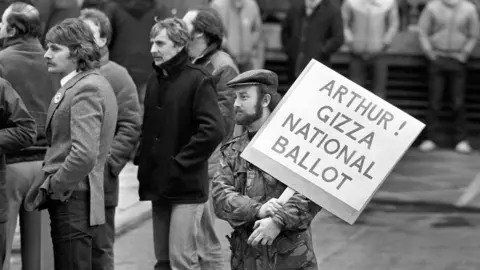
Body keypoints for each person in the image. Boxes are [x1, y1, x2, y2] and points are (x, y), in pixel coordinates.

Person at [24, 18, 118, 269]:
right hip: (78, 195)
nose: (46, 54)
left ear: (77, 52)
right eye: (48, 47)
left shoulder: (87, 88)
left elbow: (84, 155)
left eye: (55, 49)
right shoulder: (85, 84)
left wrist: (55, 186)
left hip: (73, 197)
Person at [133, 17, 224, 270]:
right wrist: (143, 156)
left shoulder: (199, 79)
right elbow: (150, 126)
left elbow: (213, 129)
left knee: (181, 260)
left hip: (185, 184)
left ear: (179, 45)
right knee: (162, 260)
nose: (153, 49)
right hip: (157, 182)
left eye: (160, 43)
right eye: (152, 42)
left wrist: (181, 162)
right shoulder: (154, 79)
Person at [212, 69, 321, 270]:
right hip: (247, 261)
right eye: (235, 97)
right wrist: (258, 209)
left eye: (244, 97)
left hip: (290, 261)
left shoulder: (294, 144)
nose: (236, 104)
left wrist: (278, 221)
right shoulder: (232, 151)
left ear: (265, 100)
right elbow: (220, 198)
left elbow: (313, 191)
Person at [80, 8, 141, 270]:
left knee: (100, 251)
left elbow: (130, 125)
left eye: (87, 34)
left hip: (100, 183)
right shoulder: (66, 73)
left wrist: (109, 165)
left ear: (103, 39)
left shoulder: (117, 75)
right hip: (69, 181)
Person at [0, 3, 57, 270]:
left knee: (2, 249)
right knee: (39, 259)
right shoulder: (56, 62)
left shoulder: (2, 62)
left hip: (9, 165)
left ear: (12, 28)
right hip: (46, 165)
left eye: (2, 23)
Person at [183, 6, 238, 269]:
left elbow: (224, 123)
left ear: (202, 34)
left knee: (204, 236)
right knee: (195, 234)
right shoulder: (193, 60)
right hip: (194, 157)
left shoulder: (222, 67)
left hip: (207, 160)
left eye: (185, 29)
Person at [417, 0, 479, 153]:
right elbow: (422, 32)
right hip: (437, 57)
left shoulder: (469, 8)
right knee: (434, 100)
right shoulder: (432, 7)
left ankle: (461, 140)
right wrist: (429, 53)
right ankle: (430, 138)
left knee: (458, 101)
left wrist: (464, 54)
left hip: (458, 59)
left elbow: (474, 34)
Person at [342, 0, 399, 99]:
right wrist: (350, 41)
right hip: (356, 54)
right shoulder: (350, 2)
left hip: (379, 53)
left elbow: (393, 25)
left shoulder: (389, 3)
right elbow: (343, 23)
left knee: (379, 94)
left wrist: (385, 41)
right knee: (354, 94)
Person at [281, 0, 344, 84]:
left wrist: (322, 50)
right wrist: (290, 49)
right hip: (294, 64)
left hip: (319, 66)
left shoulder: (332, 10)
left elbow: (338, 38)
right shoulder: (295, 7)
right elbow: (285, 31)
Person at [211, 0, 264, 71]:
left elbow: (257, 29)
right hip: (225, 61)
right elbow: (214, 32)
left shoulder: (252, 4)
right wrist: (228, 48)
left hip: (247, 60)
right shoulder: (217, 5)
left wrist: (250, 46)